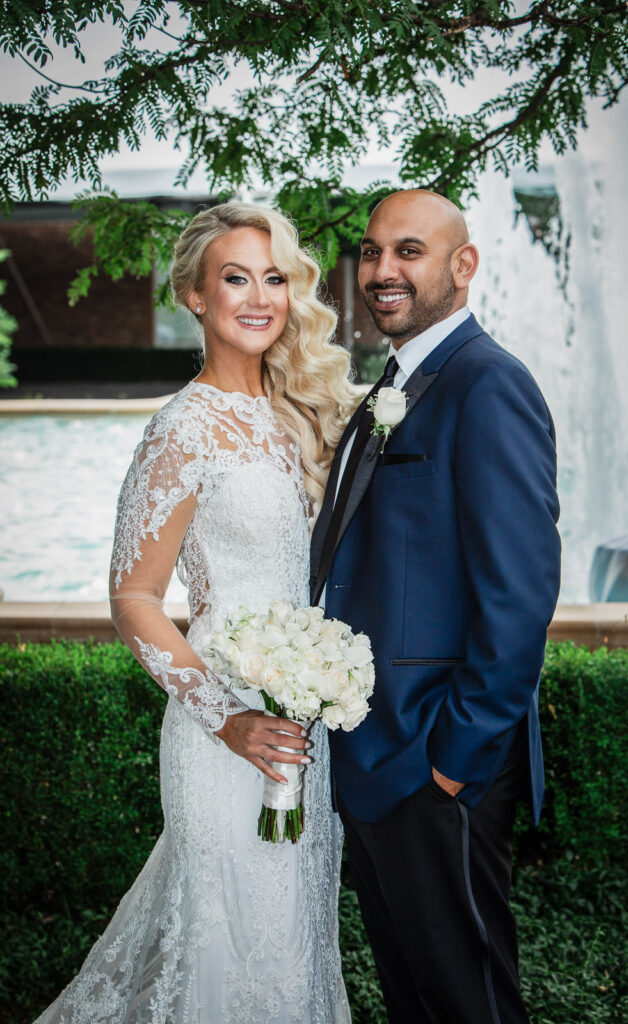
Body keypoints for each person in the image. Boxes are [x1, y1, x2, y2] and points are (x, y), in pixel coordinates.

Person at [35, 202, 357, 1024]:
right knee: (224, 938)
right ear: (193, 294)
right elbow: (132, 595)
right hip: (222, 728)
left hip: (301, 720)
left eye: (275, 277)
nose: (259, 296)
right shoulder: (180, 429)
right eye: (235, 277)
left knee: (292, 931)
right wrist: (225, 719)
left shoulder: (304, 417)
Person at [310, 189, 562, 1024]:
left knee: (468, 1001)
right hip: (377, 757)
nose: (383, 270)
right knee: (416, 1000)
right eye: (374, 252)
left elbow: (517, 594)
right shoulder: (396, 381)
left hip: (433, 762)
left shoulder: (486, 384)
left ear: (462, 266)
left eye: (408, 252)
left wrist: (452, 759)